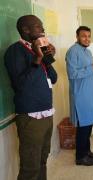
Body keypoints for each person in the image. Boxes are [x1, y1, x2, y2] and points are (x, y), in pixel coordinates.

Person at [4, 15, 57, 180]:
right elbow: (21, 85)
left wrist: (47, 58)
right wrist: (37, 58)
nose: (42, 30)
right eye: (38, 27)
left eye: (42, 27)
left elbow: (53, 78)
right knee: (30, 167)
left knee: (42, 160)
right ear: (25, 30)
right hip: (30, 116)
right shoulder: (15, 51)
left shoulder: (39, 49)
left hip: (46, 113)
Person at [65, 26, 93, 166]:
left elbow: (88, 71)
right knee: (83, 127)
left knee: (89, 124)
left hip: (90, 94)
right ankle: (80, 157)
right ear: (77, 37)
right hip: (80, 95)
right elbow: (72, 74)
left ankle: (87, 151)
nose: (87, 39)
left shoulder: (88, 52)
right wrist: (91, 68)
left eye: (89, 36)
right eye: (83, 36)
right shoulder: (72, 52)